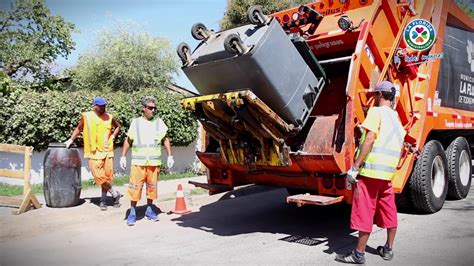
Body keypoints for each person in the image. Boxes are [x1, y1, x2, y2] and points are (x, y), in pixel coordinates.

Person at [336, 81, 406, 264]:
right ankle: (388, 249)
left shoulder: (376, 112)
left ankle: (358, 254)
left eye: (375, 95)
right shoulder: (396, 118)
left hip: (370, 173)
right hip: (387, 175)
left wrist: (355, 167)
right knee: (389, 210)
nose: (374, 98)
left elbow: (370, 139)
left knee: (365, 212)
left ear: (380, 95)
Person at [120, 96, 174, 226]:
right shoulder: (136, 123)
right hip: (138, 163)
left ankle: (149, 210)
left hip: (154, 163)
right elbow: (128, 140)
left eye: (154, 108)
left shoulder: (159, 122)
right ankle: (132, 212)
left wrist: (170, 155)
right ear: (143, 108)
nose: (153, 110)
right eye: (150, 108)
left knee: (152, 188)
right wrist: (123, 156)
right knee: (135, 188)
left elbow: (165, 139)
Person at [65, 97, 122, 211]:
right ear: (94, 106)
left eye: (104, 106)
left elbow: (118, 127)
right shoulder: (86, 116)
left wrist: (113, 137)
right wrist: (70, 140)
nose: (103, 108)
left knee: (107, 177)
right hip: (93, 152)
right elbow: (79, 128)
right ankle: (115, 193)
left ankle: (103, 200)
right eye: (101, 106)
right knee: (98, 176)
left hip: (107, 151)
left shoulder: (109, 117)